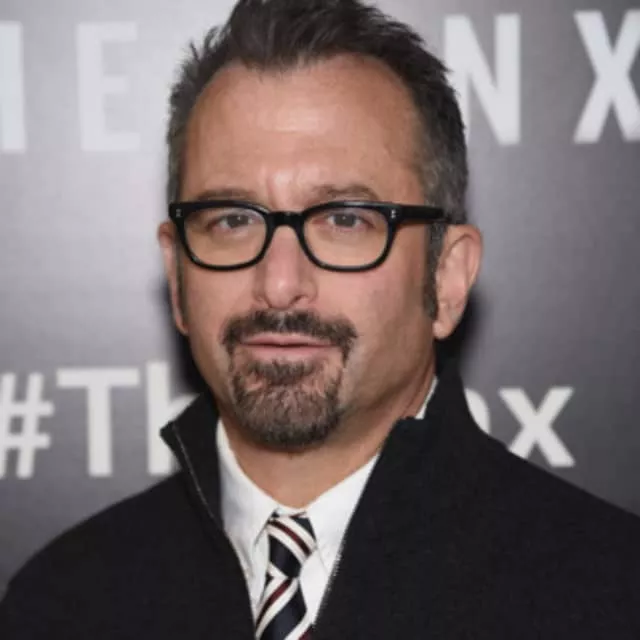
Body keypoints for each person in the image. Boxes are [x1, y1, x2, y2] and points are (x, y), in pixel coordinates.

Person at [2, 0, 640, 637]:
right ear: (177, 275)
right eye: (232, 220)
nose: (280, 285)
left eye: (344, 220)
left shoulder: (611, 593)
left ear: (447, 277)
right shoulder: (61, 604)